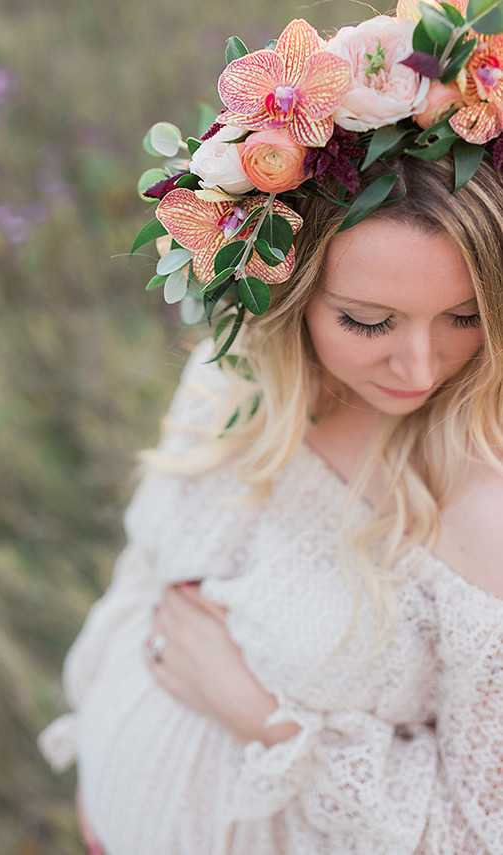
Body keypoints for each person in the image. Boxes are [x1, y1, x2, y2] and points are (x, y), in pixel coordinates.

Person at [39, 9, 503, 855]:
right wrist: (104, 725)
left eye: (465, 318)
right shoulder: (236, 373)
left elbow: (478, 836)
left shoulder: (483, 515)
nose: (421, 366)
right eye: (369, 321)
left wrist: (261, 718)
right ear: (287, 298)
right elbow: (147, 570)